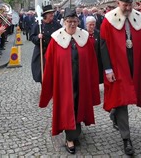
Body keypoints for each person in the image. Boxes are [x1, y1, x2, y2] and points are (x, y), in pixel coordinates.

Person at [100, 0, 141, 156]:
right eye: (125, 5)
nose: (128, 8)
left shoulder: (140, 19)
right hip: (117, 66)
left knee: (125, 98)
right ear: (118, 3)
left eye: (130, 4)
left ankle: (114, 112)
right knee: (122, 100)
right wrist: (108, 69)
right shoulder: (108, 21)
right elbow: (103, 47)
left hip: (135, 66)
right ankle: (126, 139)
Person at [39, 9, 101, 154]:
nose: (72, 24)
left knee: (79, 104)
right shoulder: (56, 39)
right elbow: (50, 62)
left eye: (75, 21)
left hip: (81, 78)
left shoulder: (84, 37)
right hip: (64, 81)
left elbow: (92, 61)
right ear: (64, 22)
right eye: (69, 21)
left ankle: (75, 130)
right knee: (68, 106)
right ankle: (70, 138)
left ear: (79, 22)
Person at [30, 4, 62, 83]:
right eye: (50, 13)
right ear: (45, 15)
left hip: (54, 51)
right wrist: (38, 37)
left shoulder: (56, 24)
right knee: (42, 70)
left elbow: (62, 33)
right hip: (42, 50)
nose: (52, 14)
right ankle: (44, 86)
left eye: (52, 13)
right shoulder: (38, 25)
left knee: (54, 70)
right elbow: (32, 37)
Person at [85, 16, 103, 84]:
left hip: (96, 60)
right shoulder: (82, 34)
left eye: (93, 24)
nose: (92, 26)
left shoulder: (98, 33)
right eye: (90, 24)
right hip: (86, 60)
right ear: (86, 24)